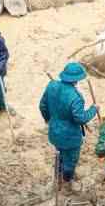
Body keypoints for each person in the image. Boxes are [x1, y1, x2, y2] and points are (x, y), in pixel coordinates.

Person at [39, 62, 98, 193]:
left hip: (54, 131)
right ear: (76, 79)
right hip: (70, 136)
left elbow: (42, 106)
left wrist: (49, 119)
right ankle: (67, 182)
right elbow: (80, 118)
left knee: (59, 154)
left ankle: (58, 178)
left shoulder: (52, 86)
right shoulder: (76, 98)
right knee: (70, 159)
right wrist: (93, 110)